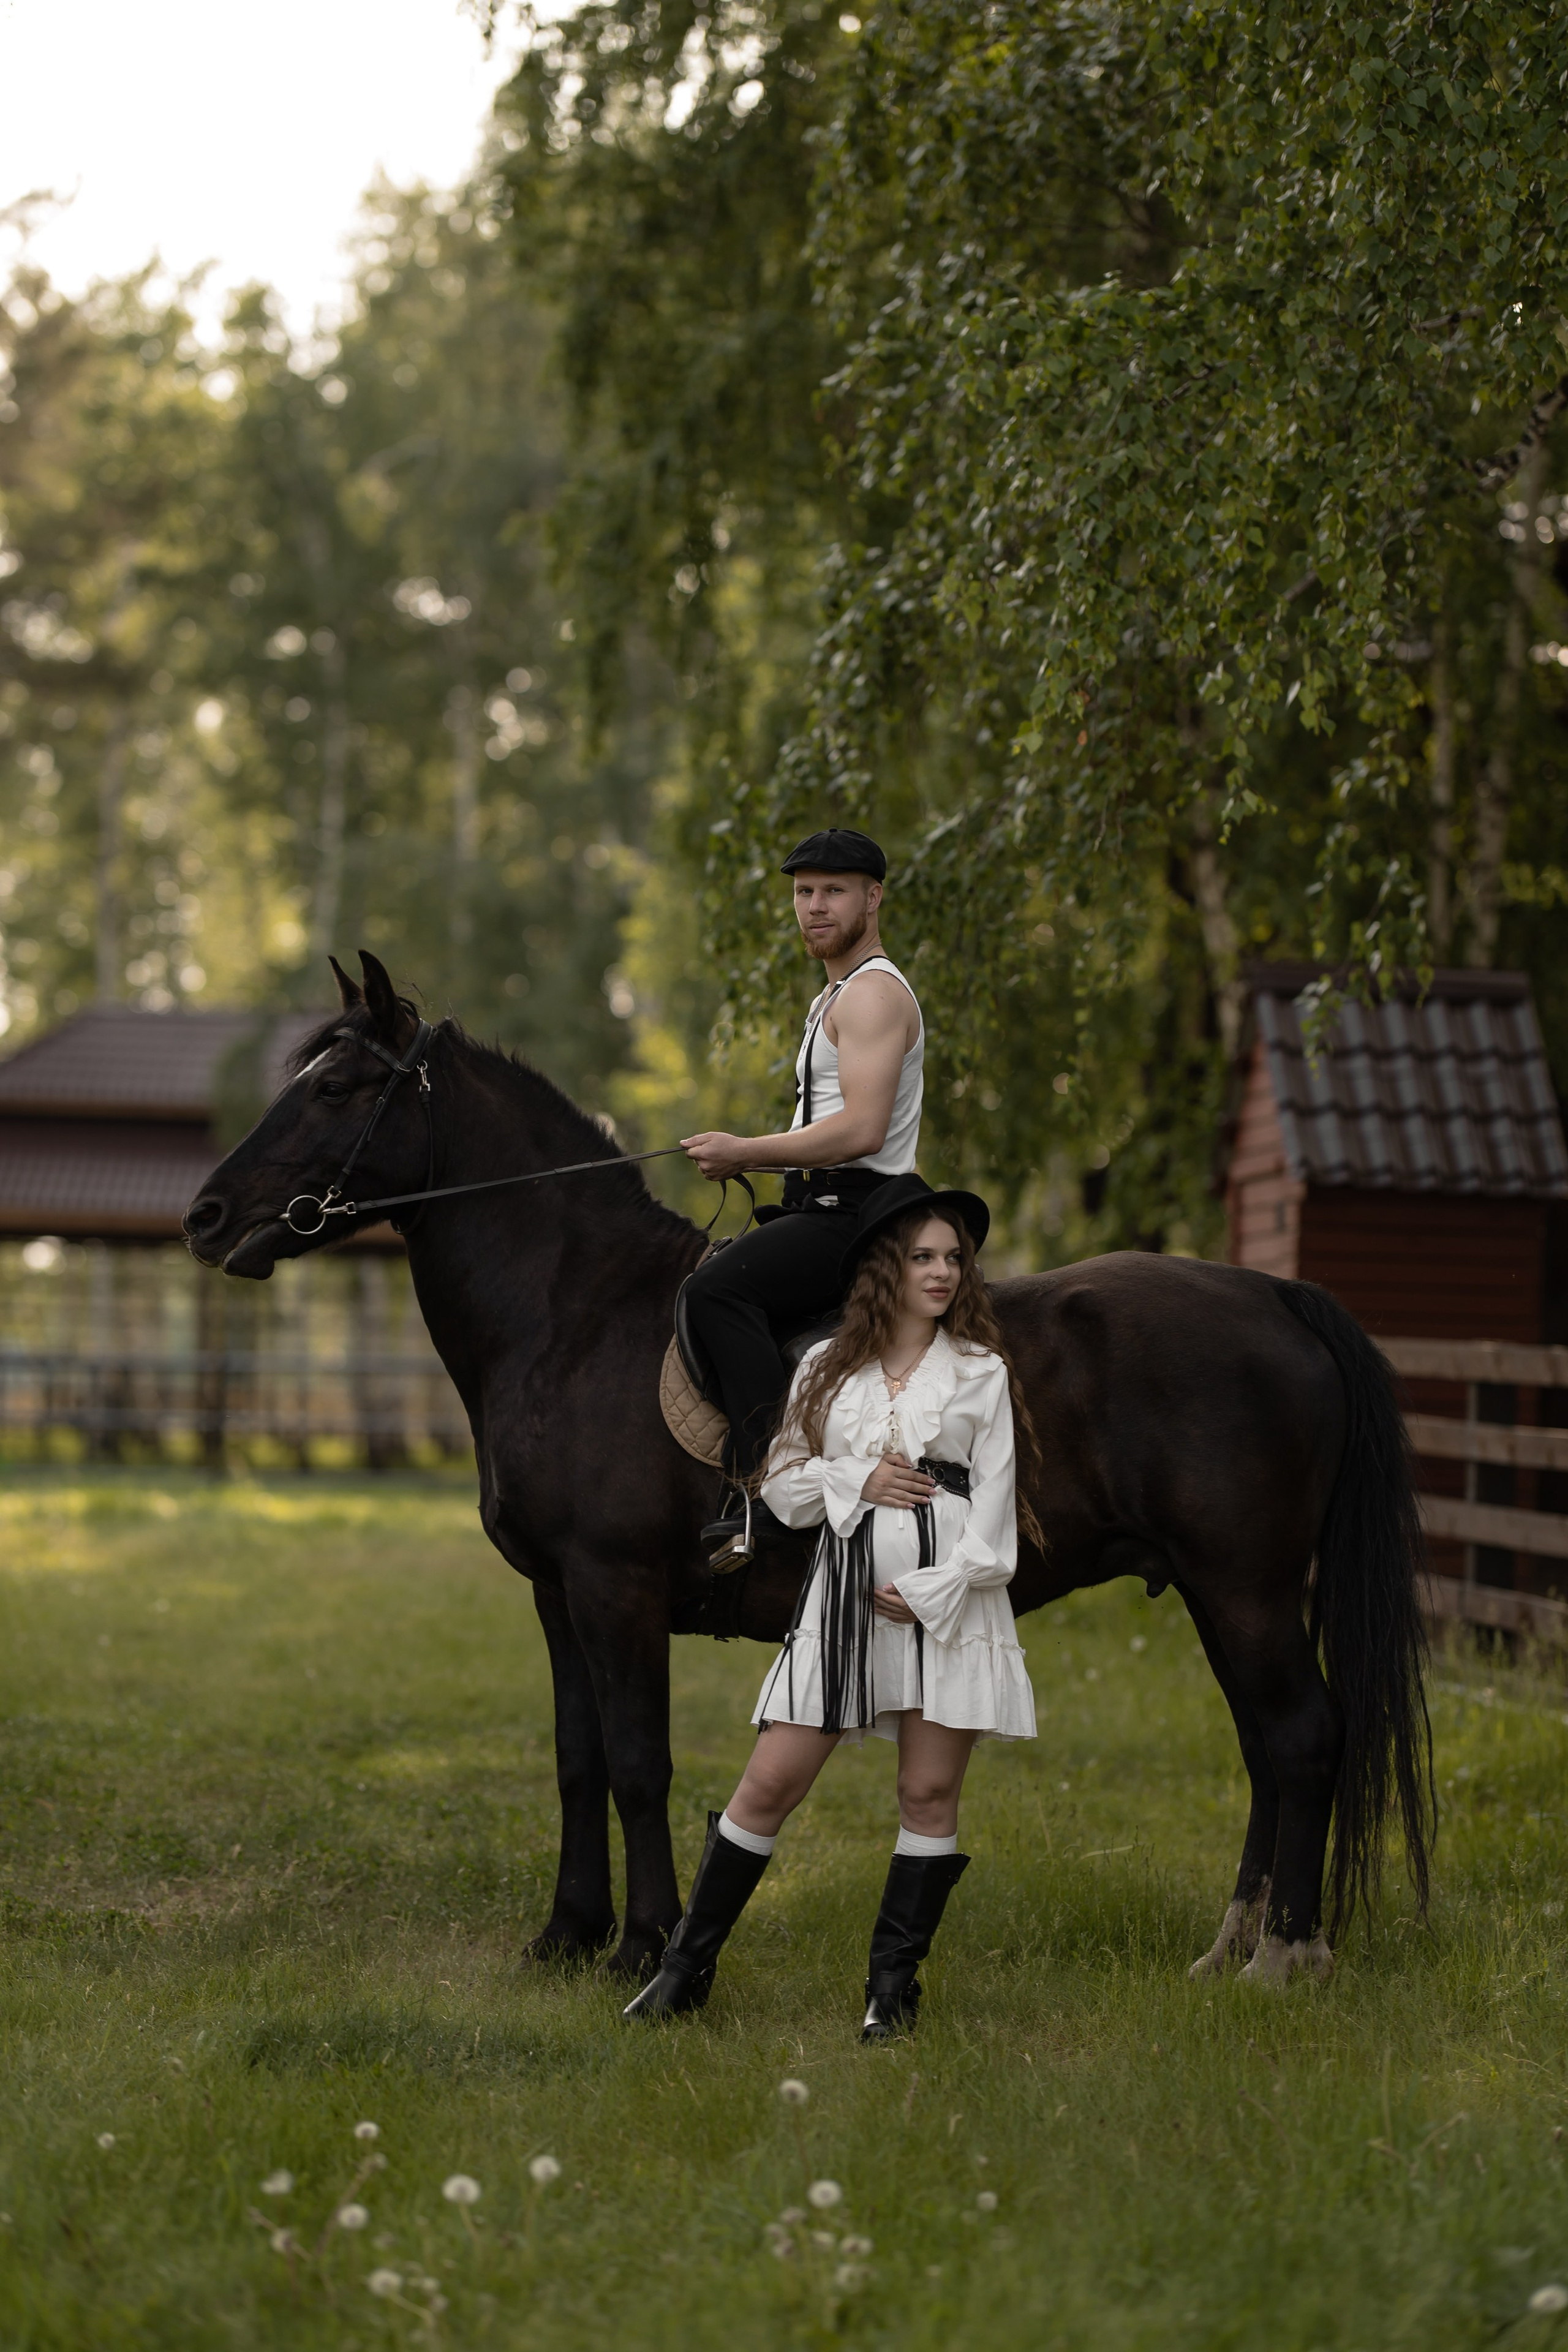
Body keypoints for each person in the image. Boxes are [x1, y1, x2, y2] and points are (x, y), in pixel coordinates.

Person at [624, 1174, 1039, 2039]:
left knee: (927, 1792)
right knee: (769, 1781)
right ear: (885, 1266)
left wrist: (929, 1593)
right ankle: (684, 1972)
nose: (942, 1272)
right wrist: (858, 1477)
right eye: (923, 1256)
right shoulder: (823, 1368)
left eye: (954, 1258)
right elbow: (780, 1486)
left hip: (943, 1610)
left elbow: (996, 1533)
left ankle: (892, 1994)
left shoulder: (981, 1375)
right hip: (841, 1604)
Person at [680, 828, 924, 1553]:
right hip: (818, 1204)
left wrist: (744, 1151)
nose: (815, 907)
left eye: (833, 891)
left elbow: (863, 1131)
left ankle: (761, 1492)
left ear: (873, 898)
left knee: (715, 1293)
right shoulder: (835, 996)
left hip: (857, 1213)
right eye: (803, 892)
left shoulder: (873, 995)